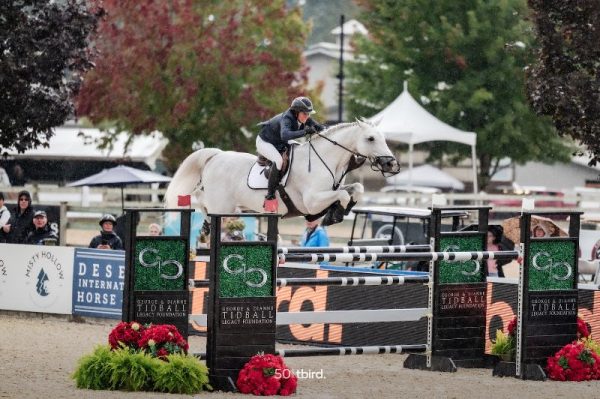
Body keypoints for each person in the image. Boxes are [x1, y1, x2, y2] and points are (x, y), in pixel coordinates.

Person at [256, 96, 326, 212]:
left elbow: (321, 128)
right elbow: (285, 135)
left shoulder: (304, 117)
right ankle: (270, 195)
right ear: (296, 112)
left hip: (280, 142)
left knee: (299, 149)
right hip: (266, 142)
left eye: (308, 114)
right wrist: (305, 132)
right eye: (305, 114)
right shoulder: (287, 118)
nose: (307, 116)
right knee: (278, 161)